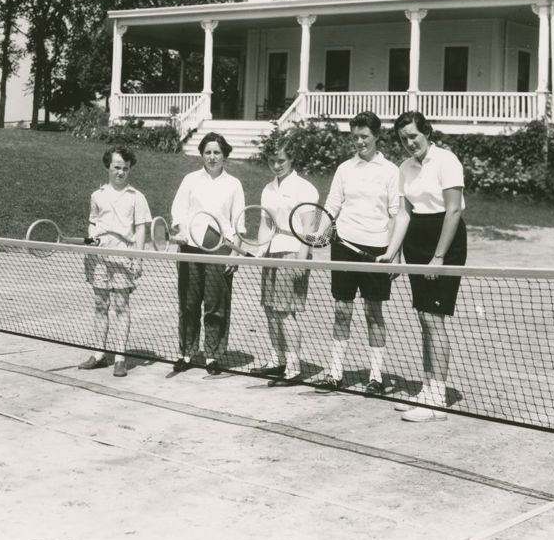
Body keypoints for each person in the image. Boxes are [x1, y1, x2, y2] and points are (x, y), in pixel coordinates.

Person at [377, 111, 467, 423]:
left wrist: (439, 257)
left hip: (445, 242)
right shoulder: (404, 167)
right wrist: (393, 252)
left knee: (434, 319)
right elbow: (403, 215)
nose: (409, 142)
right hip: (416, 242)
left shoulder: (447, 160)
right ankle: (428, 388)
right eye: (403, 139)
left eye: (413, 135)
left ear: (426, 132)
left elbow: (453, 210)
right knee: (424, 318)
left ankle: (437, 401)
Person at [312, 111, 400, 395]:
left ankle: (375, 377)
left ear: (376, 136)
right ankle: (335, 374)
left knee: (374, 313)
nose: (359, 142)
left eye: (364, 137)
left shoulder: (391, 171)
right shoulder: (344, 168)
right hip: (343, 246)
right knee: (342, 310)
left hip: (376, 250)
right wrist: (320, 231)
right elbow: (333, 203)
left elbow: (396, 214)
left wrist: (394, 254)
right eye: (355, 137)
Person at [170, 132, 245, 376]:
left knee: (216, 305)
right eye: (208, 152)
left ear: (225, 155)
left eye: (217, 152)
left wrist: (234, 255)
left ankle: (213, 356)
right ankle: (186, 353)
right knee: (189, 304)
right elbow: (178, 211)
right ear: (202, 154)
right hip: (190, 248)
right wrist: (180, 231)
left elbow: (239, 222)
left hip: (219, 249)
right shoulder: (190, 180)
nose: (212, 157)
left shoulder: (234, 184)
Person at [249, 137, 318, 387]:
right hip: (272, 252)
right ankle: (277, 360)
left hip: (293, 252)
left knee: (285, 312)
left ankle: (293, 367)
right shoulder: (268, 189)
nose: (276, 165)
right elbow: (266, 224)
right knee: (270, 310)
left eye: (281, 160)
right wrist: (260, 252)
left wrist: (302, 260)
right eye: (271, 161)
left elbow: (310, 227)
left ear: (291, 160)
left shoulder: (305, 188)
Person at [78, 146, 151, 378]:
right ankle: (99, 355)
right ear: (108, 167)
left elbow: (141, 230)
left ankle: (120, 358)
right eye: (117, 167)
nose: (121, 172)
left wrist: (138, 259)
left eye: (125, 169)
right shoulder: (97, 195)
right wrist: (91, 242)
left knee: (121, 306)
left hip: (123, 257)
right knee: (100, 305)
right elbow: (93, 222)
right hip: (98, 258)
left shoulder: (137, 197)